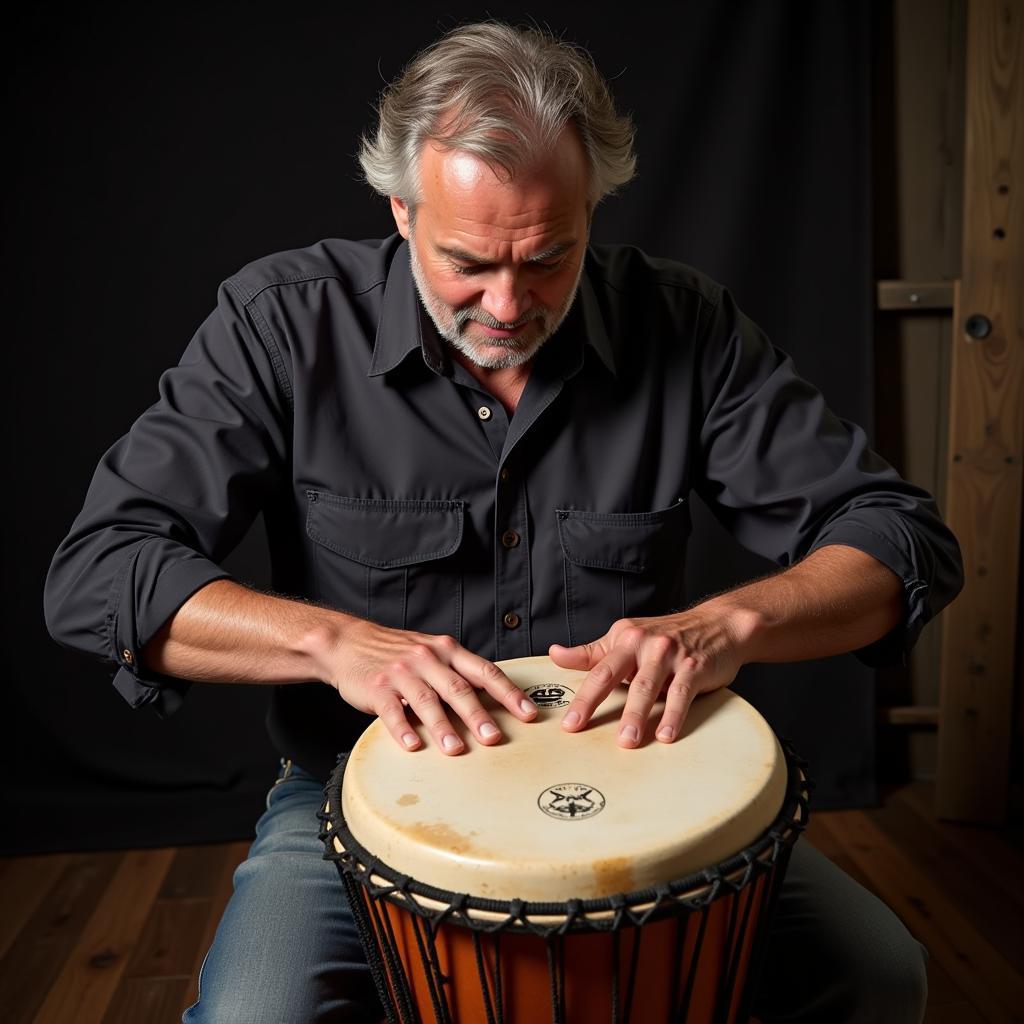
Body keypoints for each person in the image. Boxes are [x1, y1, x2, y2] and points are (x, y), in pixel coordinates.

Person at [45, 21, 962, 1024]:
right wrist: (334, 642)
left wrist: (725, 625)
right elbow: (101, 572)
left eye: (548, 259)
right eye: (468, 262)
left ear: (591, 207)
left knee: (880, 975)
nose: (508, 304)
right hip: (357, 795)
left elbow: (896, 536)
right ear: (401, 209)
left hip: (636, 782)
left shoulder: (684, 327)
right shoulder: (282, 324)